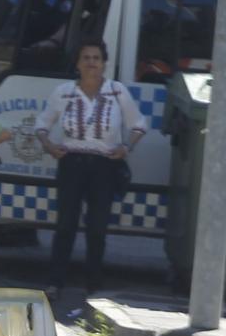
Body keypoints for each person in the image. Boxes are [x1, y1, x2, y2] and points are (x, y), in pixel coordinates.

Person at [37, 42, 145, 298]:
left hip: (104, 165)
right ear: (77, 63)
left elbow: (138, 124)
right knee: (65, 225)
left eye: (96, 58)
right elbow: (42, 125)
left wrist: (126, 147)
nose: (91, 63)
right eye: (85, 57)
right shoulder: (63, 92)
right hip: (71, 163)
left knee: (97, 227)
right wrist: (49, 145)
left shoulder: (117, 92)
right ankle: (55, 282)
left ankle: (93, 284)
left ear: (104, 63)